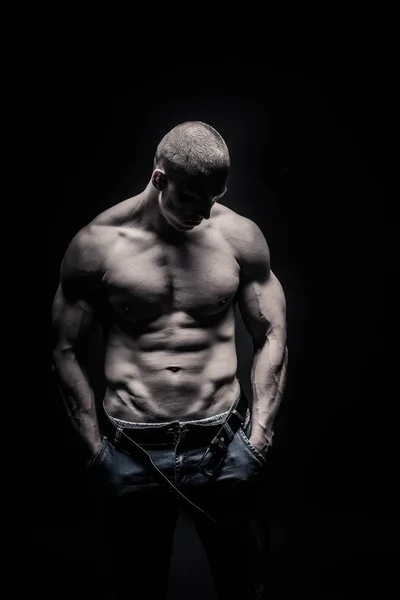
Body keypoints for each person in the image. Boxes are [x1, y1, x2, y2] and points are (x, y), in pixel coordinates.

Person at [51, 120, 288, 599]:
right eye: (192, 198)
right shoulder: (96, 246)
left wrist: (259, 434)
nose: (204, 212)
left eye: (214, 198)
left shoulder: (239, 237)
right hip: (132, 448)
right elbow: (65, 349)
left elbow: (272, 332)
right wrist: (96, 452)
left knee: (244, 586)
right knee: (138, 588)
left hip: (222, 445)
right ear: (159, 179)